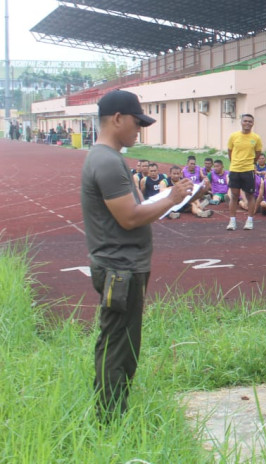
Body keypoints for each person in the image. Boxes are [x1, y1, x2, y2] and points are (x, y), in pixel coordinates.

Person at [81, 90, 192, 421]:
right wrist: (171, 199)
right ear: (117, 119)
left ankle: (110, 413)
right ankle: (111, 421)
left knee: (117, 343)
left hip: (122, 269)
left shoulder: (108, 158)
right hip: (121, 270)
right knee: (119, 348)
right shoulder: (107, 161)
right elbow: (128, 217)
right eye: (136, 122)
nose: (139, 130)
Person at [226, 113, 263, 230]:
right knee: (234, 195)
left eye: (250, 121)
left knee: (250, 195)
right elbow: (230, 151)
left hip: (248, 170)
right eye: (245, 121)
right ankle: (232, 221)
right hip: (235, 169)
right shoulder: (233, 136)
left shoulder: (256, 138)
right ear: (241, 122)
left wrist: (251, 163)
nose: (247, 123)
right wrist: (235, 163)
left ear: (253, 124)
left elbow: (257, 154)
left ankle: (250, 220)